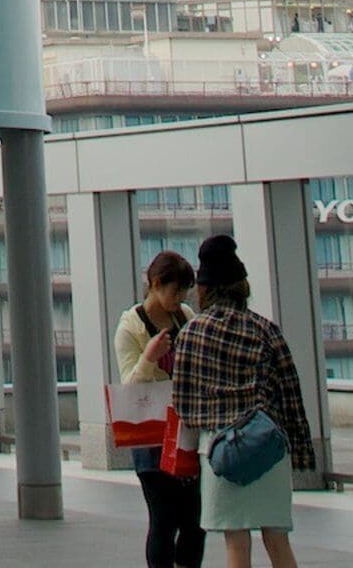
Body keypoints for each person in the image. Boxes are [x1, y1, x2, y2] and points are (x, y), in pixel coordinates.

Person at [168, 234, 312, 568]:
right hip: (267, 447)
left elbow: (184, 404)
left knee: (236, 542)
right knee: (278, 540)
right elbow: (290, 394)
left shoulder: (192, 333)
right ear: (241, 285)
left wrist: (186, 454)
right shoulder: (265, 329)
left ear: (204, 289)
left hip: (221, 453)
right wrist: (302, 451)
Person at [115, 251, 204, 568]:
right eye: (175, 290)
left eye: (185, 291)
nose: (180, 298)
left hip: (186, 431)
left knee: (195, 521)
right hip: (152, 436)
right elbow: (129, 386)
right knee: (163, 519)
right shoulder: (131, 328)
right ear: (155, 284)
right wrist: (149, 357)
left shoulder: (186, 316)